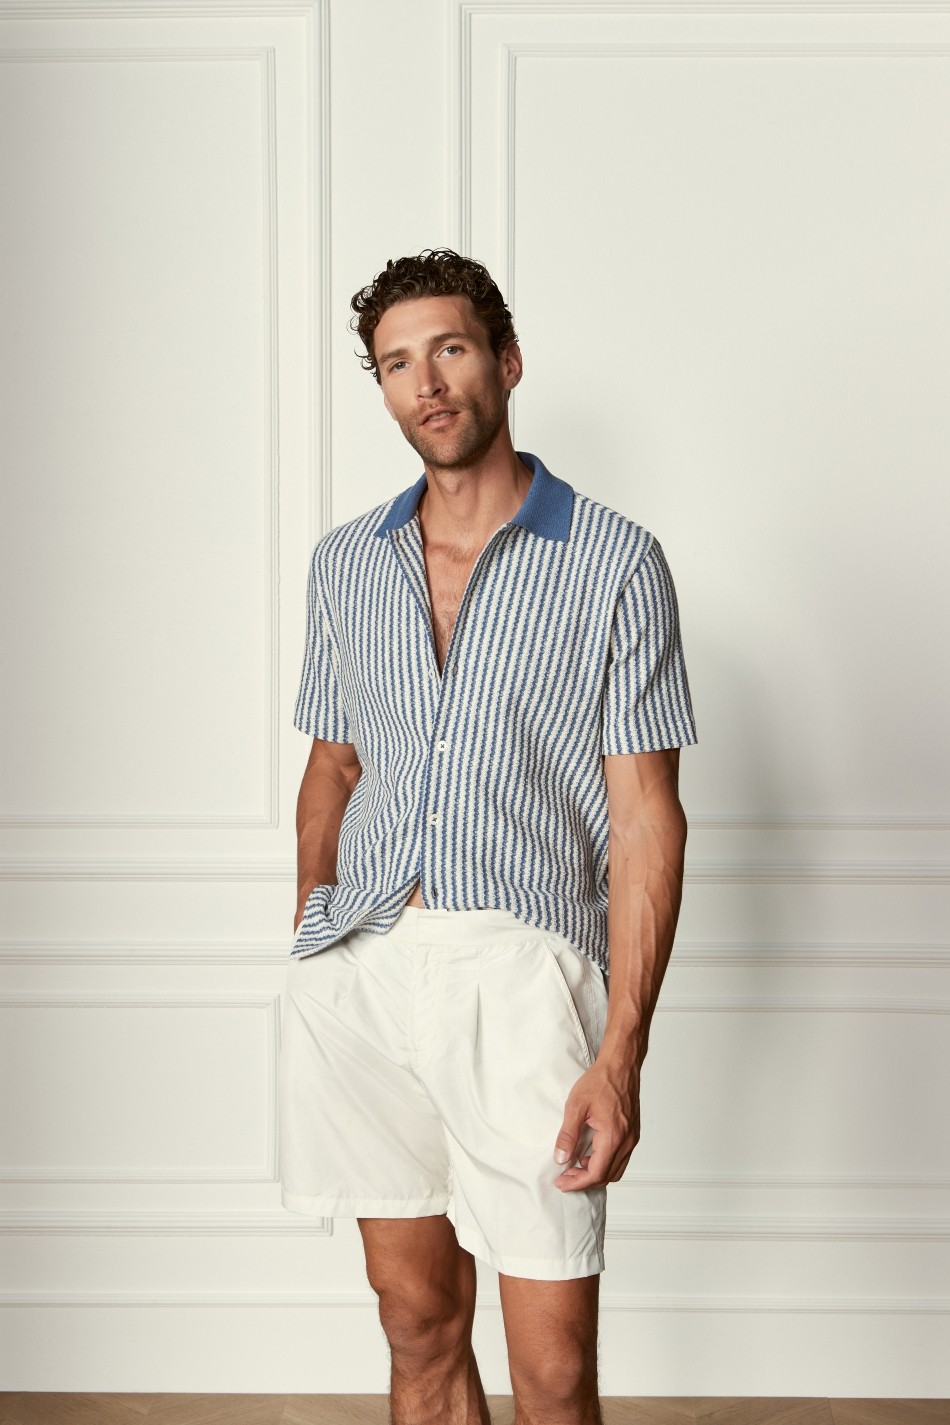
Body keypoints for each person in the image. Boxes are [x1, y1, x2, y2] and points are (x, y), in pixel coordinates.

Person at [278, 248, 697, 1424]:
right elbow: (332, 765)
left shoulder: (614, 562)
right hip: (362, 972)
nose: (425, 383)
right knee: (414, 1323)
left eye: (449, 350)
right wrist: (312, 930)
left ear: (505, 363)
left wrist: (619, 1053)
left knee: (552, 1374)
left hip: (520, 979)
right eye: (394, 364)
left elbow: (644, 816)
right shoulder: (344, 563)